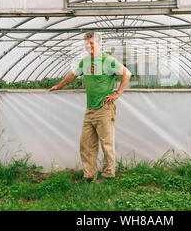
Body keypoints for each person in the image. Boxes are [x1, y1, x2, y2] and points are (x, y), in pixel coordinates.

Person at [48, 31, 132, 183]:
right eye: (87, 43)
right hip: (90, 109)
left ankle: (108, 175)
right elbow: (73, 75)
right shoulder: (85, 61)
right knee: (86, 144)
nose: (89, 46)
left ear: (99, 44)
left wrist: (117, 93)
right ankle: (89, 175)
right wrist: (59, 86)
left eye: (92, 43)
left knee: (106, 144)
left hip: (104, 108)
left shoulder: (107, 60)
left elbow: (127, 74)